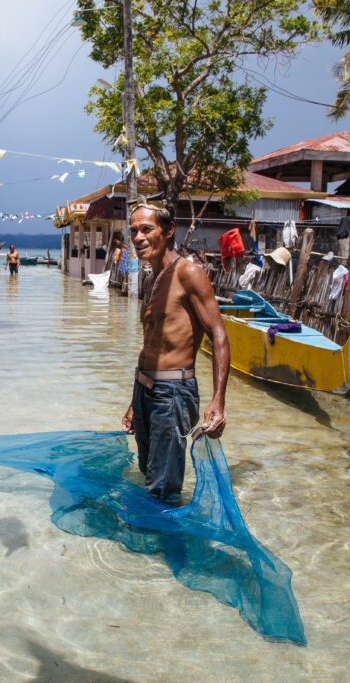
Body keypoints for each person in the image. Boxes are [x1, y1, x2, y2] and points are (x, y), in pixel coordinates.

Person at [122, 202, 230, 505]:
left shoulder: (189, 273)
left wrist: (218, 402)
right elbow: (151, 345)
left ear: (168, 231)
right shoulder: (150, 279)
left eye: (147, 229)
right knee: (147, 473)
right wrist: (134, 402)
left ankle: (164, 548)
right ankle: (150, 539)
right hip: (144, 390)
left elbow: (219, 336)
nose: (138, 237)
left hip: (172, 392)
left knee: (163, 487)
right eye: (133, 231)